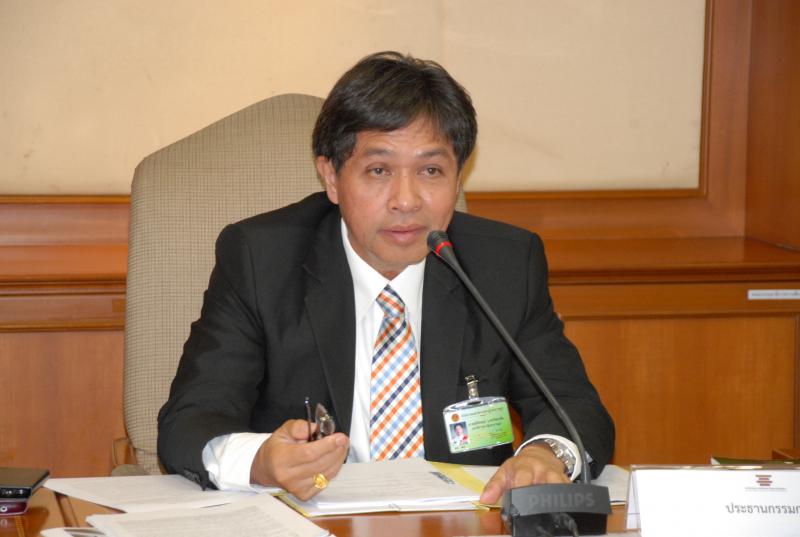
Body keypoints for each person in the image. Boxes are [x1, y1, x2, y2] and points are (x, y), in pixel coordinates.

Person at [157, 51, 614, 504]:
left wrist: (546, 455)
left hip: (461, 523)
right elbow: (191, 420)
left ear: (458, 178)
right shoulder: (262, 259)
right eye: (379, 171)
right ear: (331, 177)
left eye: (431, 171)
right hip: (310, 518)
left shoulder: (504, 264)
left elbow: (573, 406)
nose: (406, 200)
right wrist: (261, 462)